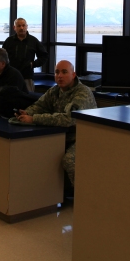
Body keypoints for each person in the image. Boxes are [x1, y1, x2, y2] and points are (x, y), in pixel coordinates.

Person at [16, 60, 96, 191]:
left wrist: (34, 119)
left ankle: (82, 197)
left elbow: (69, 119)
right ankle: (52, 195)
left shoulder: (82, 93)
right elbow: (40, 105)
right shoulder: (55, 91)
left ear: (73, 74)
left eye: (64, 72)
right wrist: (27, 112)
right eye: (57, 72)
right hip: (64, 136)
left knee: (69, 161)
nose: (60, 76)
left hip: (84, 138)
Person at [3, 18, 48, 92]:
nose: (21, 28)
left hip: (27, 76)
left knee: (28, 99)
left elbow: (44, 56)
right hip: (11, 76)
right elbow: (2, 58)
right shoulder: (9, 41)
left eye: (23, 25)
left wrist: (33, 64)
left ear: (26, 26)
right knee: (10, 99)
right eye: (19, 26)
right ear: (14, 28)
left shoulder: (33, 41)